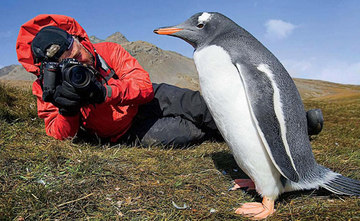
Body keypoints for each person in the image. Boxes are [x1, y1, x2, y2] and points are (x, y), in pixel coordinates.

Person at [16, 14, 323, 148]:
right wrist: (68, 112)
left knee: (205, 106)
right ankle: (237, 137)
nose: (73, 61)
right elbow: (58, 134)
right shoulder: (48, 87)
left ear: (77, 38)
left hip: (149, 99)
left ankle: (292, 126)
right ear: (48, 67)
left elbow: (143, 85)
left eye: (71, 49)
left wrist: (106, 91)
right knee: (187, 133)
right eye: (59, 62)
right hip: (126, 133)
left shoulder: (108, 51)